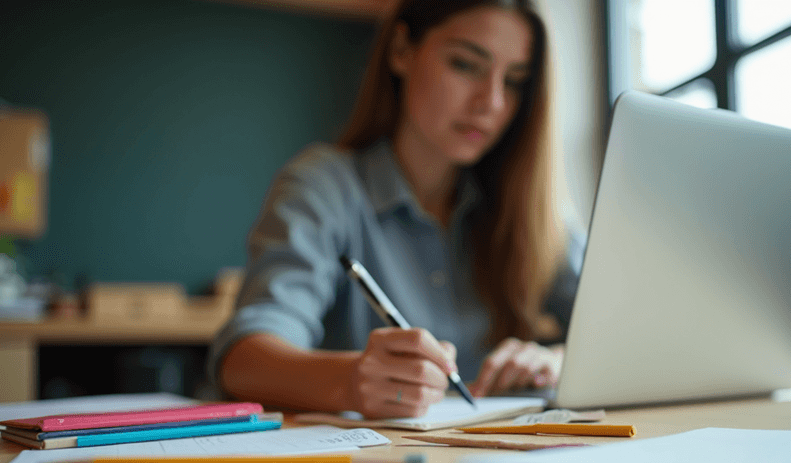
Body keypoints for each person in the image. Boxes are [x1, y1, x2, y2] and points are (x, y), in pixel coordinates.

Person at [209, 0, 584, 419]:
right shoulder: (324, 186)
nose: (492, 102)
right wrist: (350, 381)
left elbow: (628, 331)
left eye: (515, 81)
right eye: (466, 65)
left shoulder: (529, 209)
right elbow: (242, 361)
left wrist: (560, 361)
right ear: (402, 50)